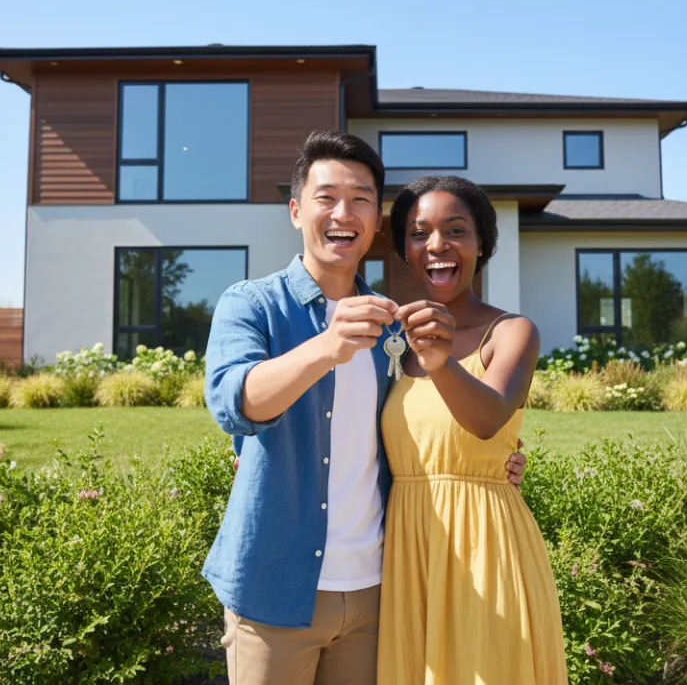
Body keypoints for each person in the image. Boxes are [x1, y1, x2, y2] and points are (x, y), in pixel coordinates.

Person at [203, 130, 527, 685]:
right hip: (275, 588)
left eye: (360, 199)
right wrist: (326, 347)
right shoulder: (250, 303)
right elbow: (235, 403)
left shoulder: (392, 324)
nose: (341, 212)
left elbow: (415, 423)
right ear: (295, 209)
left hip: (379, 592)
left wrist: (499, 459)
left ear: (377, 220)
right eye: (326, 196)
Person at [378, 174, 568, 684]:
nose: (436, 245)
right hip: (407, 550)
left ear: (482, 243)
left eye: (455, 230)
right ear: (404, 249)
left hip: (483, 546)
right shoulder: (390, 340)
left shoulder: (511, 332)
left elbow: (486, 419)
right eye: (419, 233)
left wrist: (440, 362)